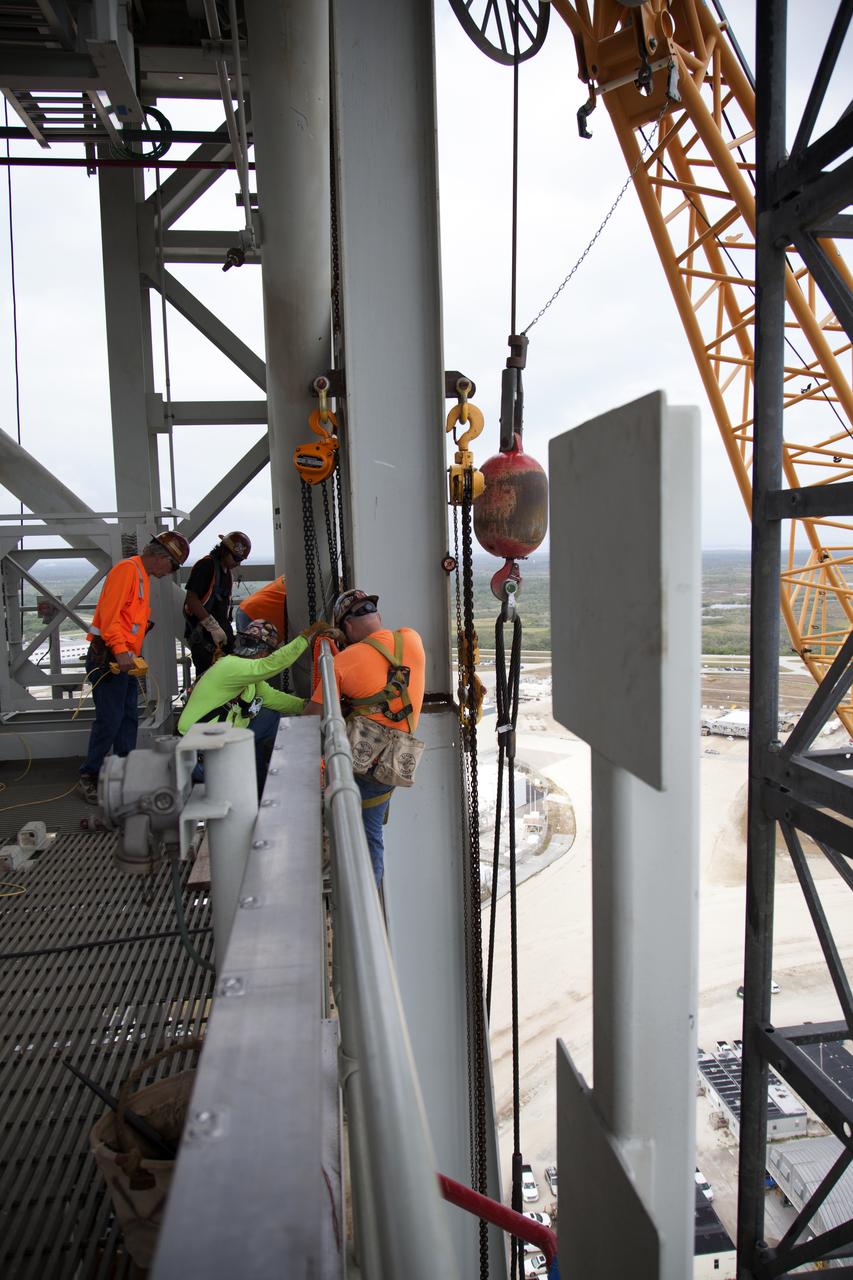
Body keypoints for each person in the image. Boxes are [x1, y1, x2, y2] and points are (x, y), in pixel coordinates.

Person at [304, 588, 425, 887]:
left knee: (366, 835)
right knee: (371, 830)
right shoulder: (412, 638)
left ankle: (360, 895)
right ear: (377, 615)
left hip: (365, 762)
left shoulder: (344, 661)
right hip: (398, 757)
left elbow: (311, 716)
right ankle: (365, 889)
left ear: (346, 627)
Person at [78, 531, 190, 803]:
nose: (171, 573)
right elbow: (110, 616)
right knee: (110, 718)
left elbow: (126, 617)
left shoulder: (141, 575)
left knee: (128, 715)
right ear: (161, 557)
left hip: (124, 658)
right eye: (173, 566)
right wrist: (120, 649)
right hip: (111, 658)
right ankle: (90, 776)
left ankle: (124, 770)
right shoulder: (127, 571)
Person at [178, 616, 333, 789]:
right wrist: (307, 637)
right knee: (268, 720)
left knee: (269, 716)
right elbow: (271, 665)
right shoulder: (232, 666)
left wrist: (308, 705)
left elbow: (272, 697)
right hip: (196, 754)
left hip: (204, 743)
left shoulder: (244, 673)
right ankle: (258, 785)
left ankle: (260, 783)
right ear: (264, 652)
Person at [183, 531, 251, 677]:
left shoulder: (226, 572)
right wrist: (211, 626)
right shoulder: (206, 566)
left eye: (241, 560)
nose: (238, 563)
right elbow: (191, 598)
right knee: (208, 680)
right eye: (236, 558)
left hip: (220, 636)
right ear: (224, 551)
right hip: (204, 638)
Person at [234, 574, 287, 642]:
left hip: (246, 609)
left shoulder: (288, 577)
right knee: (252, 649)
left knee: (245, 648)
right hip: (254, 615)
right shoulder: (298, 584)